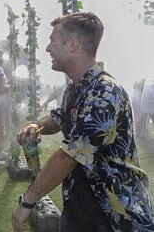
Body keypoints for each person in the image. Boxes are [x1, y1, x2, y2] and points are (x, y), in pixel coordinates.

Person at [12, 12, 154, 232]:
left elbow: (70, 156)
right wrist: (36, 126)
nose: (48, 48)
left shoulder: (104, 92)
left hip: (115, 216)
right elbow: (59, 117)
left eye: (52, 40)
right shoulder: (77, 87)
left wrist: (28, 201)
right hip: (83, 207)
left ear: (72, 44)